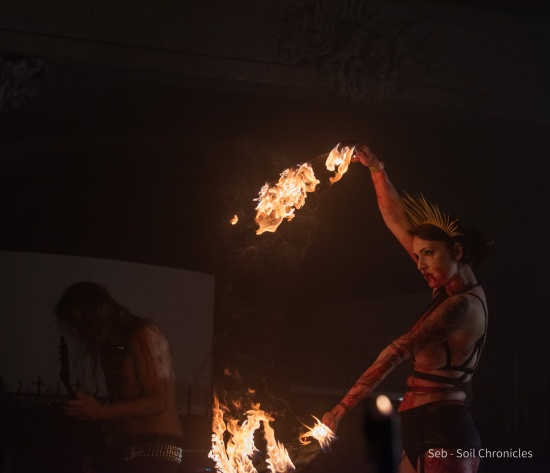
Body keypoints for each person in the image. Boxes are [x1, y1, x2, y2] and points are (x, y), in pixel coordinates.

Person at [322, 144, 492, 473]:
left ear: (457, 251)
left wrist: (340, 409)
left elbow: (396, 353)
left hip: (446, 428)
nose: (420, 265)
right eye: (417, 256)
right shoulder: (448, 287)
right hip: (422, 425)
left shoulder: (460, 307)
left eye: (428, 254)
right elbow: (396, 219)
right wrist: (376, 170)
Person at [56, 281, 184, 473]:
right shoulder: (109, 348)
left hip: (157, 451)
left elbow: (159, 402)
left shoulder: (144, 335)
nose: (82, 331)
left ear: (98, 312)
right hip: (127, 450)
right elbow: (121, 407)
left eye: (83, 323)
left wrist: (101, 411)